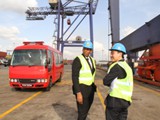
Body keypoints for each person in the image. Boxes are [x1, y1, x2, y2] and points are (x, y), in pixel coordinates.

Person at [103, 43, 133, 120]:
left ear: (120, 54)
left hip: (114, 102)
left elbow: (105, 81)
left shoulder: (116, 66)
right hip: (125, 102)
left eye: (113, 53)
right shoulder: (127, 67)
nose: (111, 55)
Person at [72, 41, 97, 120]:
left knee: (86, 110)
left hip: (90, 89)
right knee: (82, 112)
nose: (87, 51)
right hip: (82, 89)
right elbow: (75, 77)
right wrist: (78, 93)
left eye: (89, 49)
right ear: (83, 49)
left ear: (91, 50)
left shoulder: (92, 60)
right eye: (86, 49)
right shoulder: (78, 59)